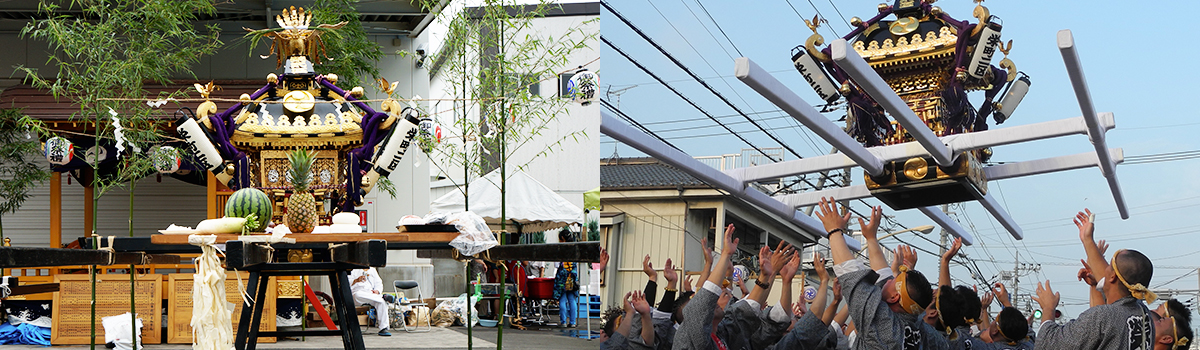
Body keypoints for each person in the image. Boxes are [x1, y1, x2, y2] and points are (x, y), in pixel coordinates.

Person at [816, 197, 935, 350]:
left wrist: (834, 231)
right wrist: (871, 238)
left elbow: (854, 281)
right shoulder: (917, 325)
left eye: (893, 280)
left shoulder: (887, 328)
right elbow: (884, 276)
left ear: (894, 297)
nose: (888, 279)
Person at [1032, 209, 1157, 350]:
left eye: (1109, 265)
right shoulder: (1143, 313)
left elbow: (1048, 344)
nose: (1105, 267)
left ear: (1113, 276)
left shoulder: (1103, 316)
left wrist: (1048, 308)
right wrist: (1087, 239)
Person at [349, 267, 391, 336]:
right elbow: (347, 282)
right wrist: (356, 280)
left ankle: (384, 328)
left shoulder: (372, 270)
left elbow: (379, 283)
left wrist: (377, 291)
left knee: (381, 302)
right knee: (358, 295)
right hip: (358, 294)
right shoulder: (353, 269)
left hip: (371, 294)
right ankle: (382, 297)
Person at [554, 261, 580, 328]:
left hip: (562, 281)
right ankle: (573, 322)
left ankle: (563, 322)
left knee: (562, 300)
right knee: (572, 300)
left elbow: (556, 265)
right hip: (572, 281)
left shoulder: (560, 258)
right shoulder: (574, 256)